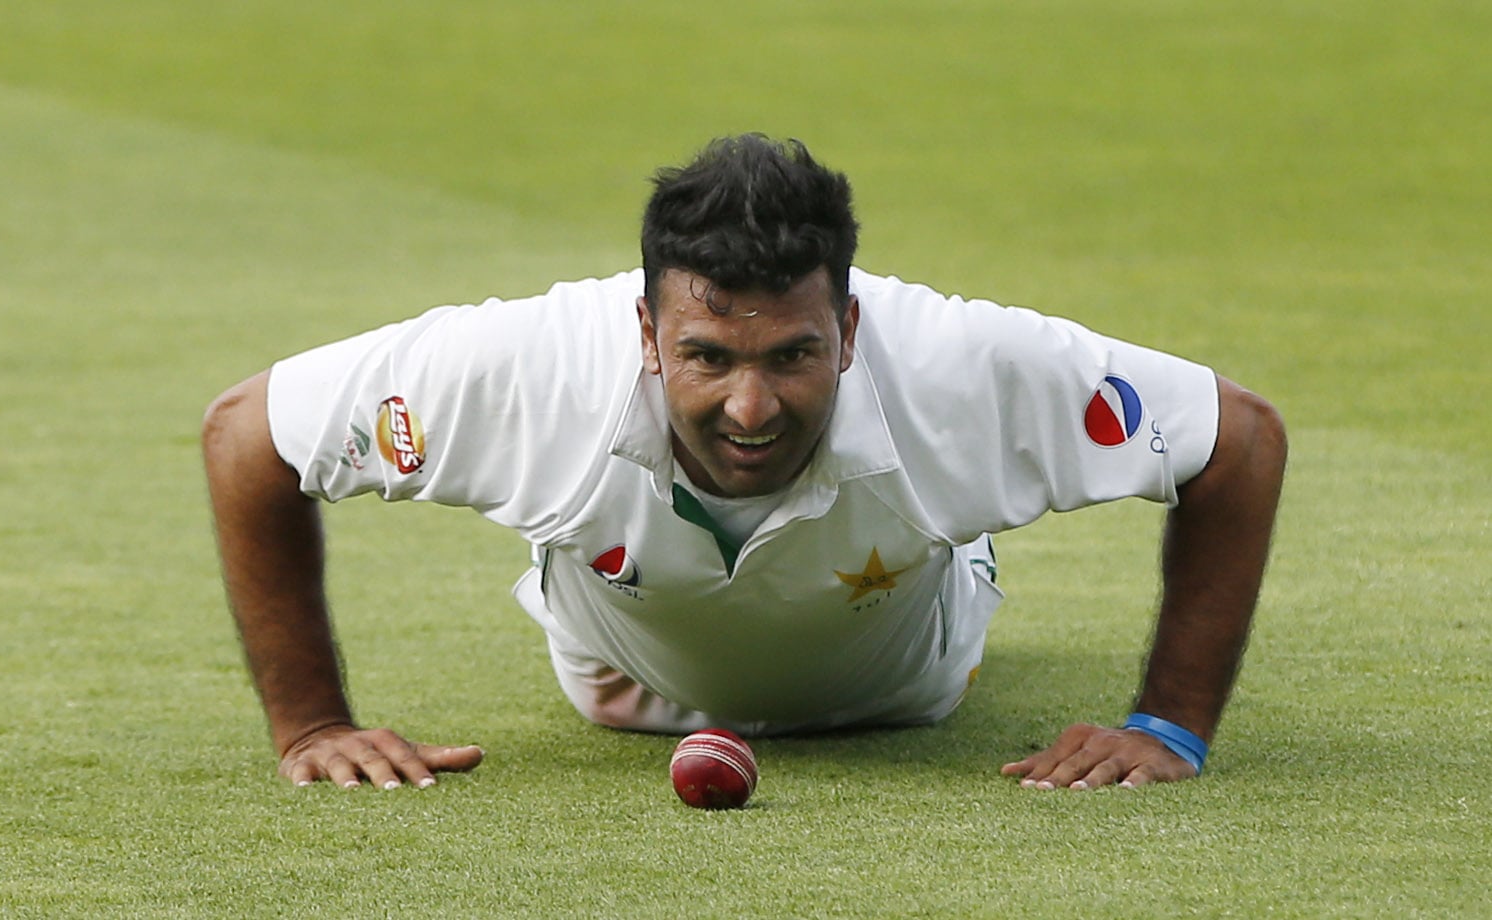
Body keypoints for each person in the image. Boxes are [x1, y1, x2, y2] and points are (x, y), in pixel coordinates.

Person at [203, 134, 1286, 792]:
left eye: (795, 355)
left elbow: (1236, 439)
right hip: (622, 686)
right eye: (708, 356)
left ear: (852, 331)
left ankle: (966, 535)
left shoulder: (958, 366)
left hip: (907, 687)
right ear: (644, 331)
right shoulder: (529, 368)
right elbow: (248, 433)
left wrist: (1164, 726)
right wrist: (315, 723)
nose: (750, 405)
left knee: (946, 508)